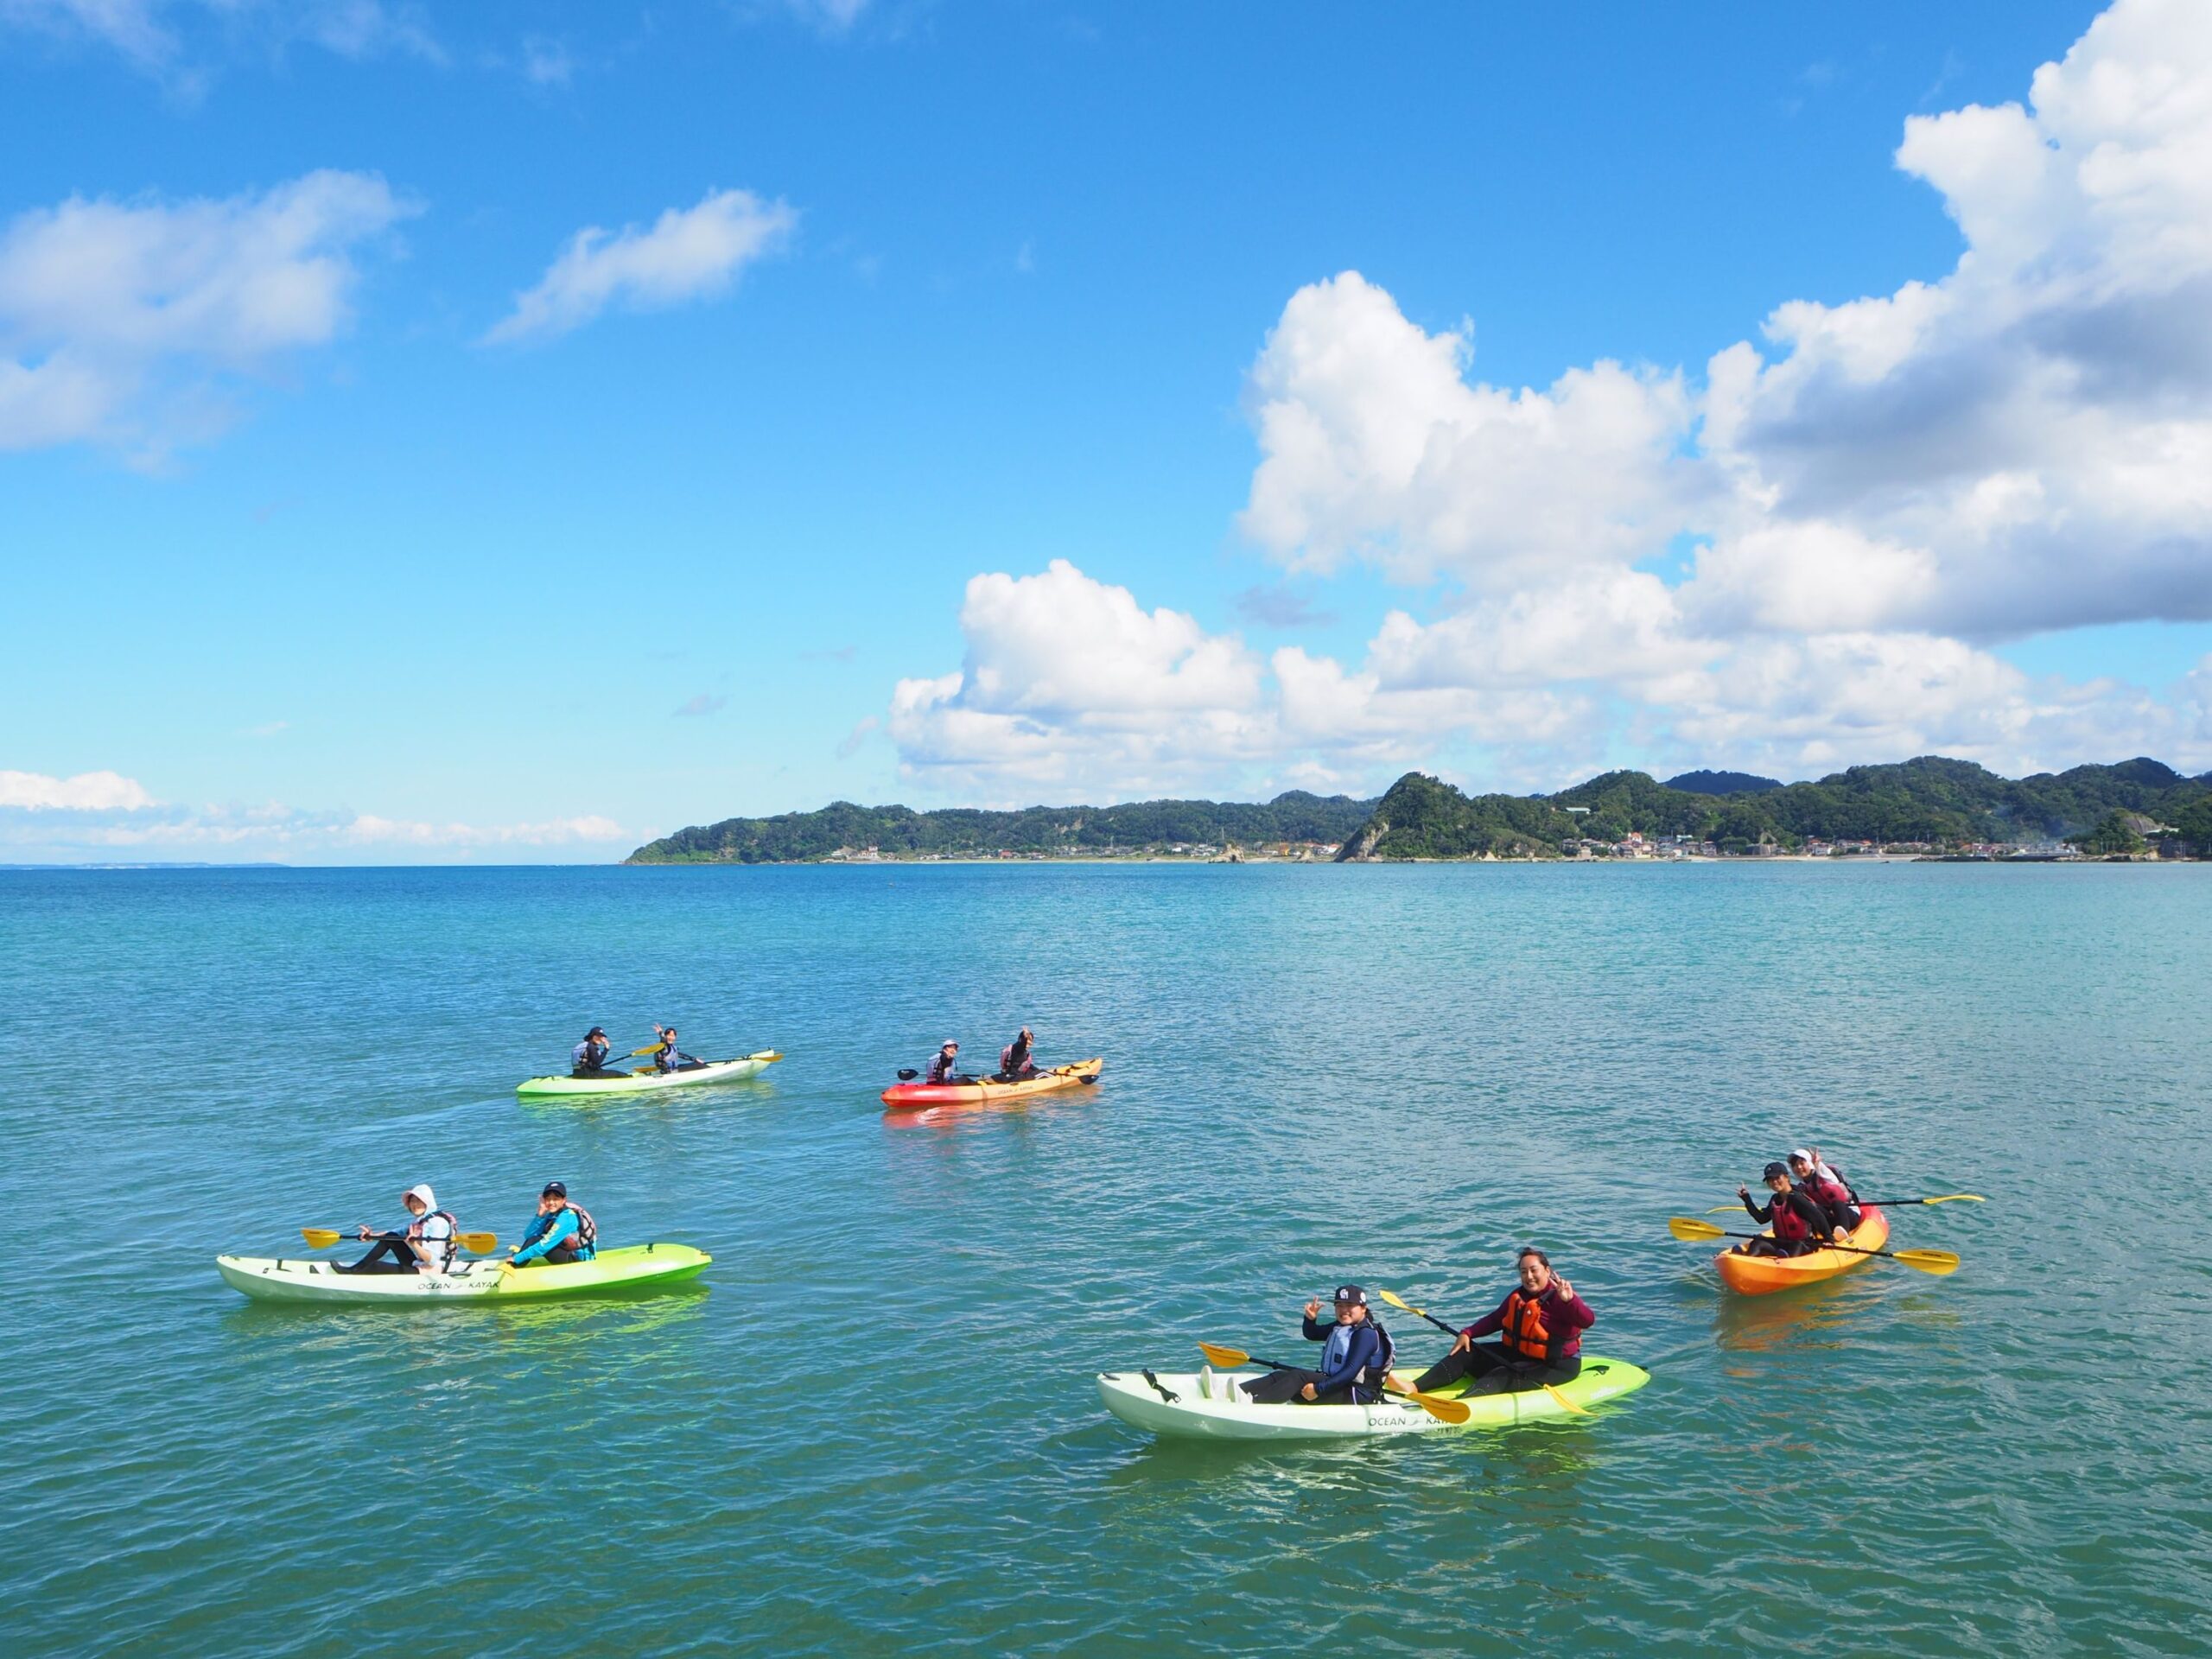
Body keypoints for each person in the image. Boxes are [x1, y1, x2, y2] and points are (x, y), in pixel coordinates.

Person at [1408, 1249, 1594, 1397]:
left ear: (1547, 1271)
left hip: (1556, 1365)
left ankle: (1461, 1405)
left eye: (1533, 1270)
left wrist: (1570, 1300)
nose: (1529, 1276)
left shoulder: (1561, 1298)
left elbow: (1587, 1320)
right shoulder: (1520, 1295)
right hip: (1520, 1354)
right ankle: (1413, 1387)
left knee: (1501, 1375)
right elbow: (1496, 1319)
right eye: (1523, 1272)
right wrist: (1467, 1333)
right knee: (1468, 1351)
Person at [1239, 1285, 1395, 1405]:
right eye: (1339, 1305)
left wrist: (1317, 1389)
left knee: (1298, 1376)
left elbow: (1350, 1371)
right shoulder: (1343, 1327)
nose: (1343, 1310)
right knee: (1281, 1375)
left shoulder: (1366, 1334)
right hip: (1339, 1386)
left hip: (1358, 1395)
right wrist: (1310, 1319)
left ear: (1363, 1309)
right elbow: (1312, 1334)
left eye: (1349, 1305)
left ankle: (1255, 1405)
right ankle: (1237, 1392)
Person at [335, 1184, 457, 1275]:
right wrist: (370, 1236)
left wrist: (414, 1245)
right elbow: (393, 1235)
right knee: (391, 1236)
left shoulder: (437, 1223)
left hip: (435, 1270)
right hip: (421, 1265)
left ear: (427, 1202)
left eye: (418, 1201)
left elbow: (432, 1261)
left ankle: (354, 1271)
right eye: (412, 1201)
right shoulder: (420, 1221)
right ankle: (355, 1269)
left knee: (375, 1266)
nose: (414, 1205)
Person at [1736, 1160, 1838, 1257]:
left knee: (1796, 1246)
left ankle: (1785, 1262)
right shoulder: (1775, 1199)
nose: (1774, 1182)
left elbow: (1818, 1218)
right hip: (1781, 1243)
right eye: (1770, 1180)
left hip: (1803, 1245)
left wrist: (1829, 1239)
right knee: (1758, 1241)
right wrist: (1747, 1200)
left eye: (1777, 1178)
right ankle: (1746, 1260)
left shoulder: (1797, 1198)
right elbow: (1762, 1219)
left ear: (1786, 1177)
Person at [509, 1181, 597, 1268]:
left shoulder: (568, 1217)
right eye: (548, 1199)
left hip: (580, 1261)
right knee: (534, 1239)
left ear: (564, 1200)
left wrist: (517, 1258)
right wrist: (540, 1216)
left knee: (536, 1242)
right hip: (569, 1252)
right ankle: (518, 1259)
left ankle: (514, 1267)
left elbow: (544, 1246)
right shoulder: (552, 1214)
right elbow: (529, 1235)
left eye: (556, 1199)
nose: (551, 1202)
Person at [1789, 1147, 1863, 1233]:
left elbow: (1821, 1170)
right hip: (1832, 1220)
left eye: (1802, 1163)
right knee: (1810, 1206)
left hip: (1850, 1216)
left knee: (1837, 1203)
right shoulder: (1803, 1187)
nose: (1799, 1167)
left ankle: (1843, 1233)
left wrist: (1818, 1163)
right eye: (1795, 1165)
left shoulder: (1825, 1176)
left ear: (1810, 1163)